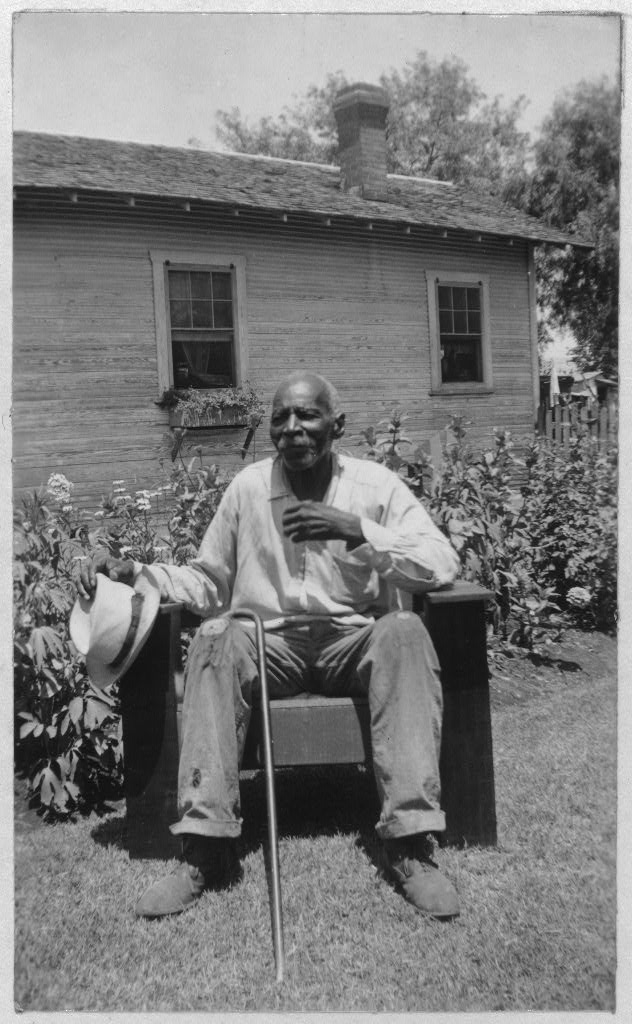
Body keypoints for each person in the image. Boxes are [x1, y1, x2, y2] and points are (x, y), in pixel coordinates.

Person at [78, 371, 461, 920]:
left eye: (307, 415)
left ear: (337, 425)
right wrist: (138, 571)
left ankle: (410, 846)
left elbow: (442, 563)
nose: (292, 428)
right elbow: (209, 582)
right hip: (268, 644)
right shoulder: (249, 489)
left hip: (352, 642)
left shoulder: (376, 486)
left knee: (405, 631)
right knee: (215, 635)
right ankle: (205, 849)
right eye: (280, 418)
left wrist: (357, 530)